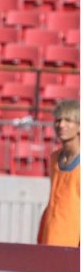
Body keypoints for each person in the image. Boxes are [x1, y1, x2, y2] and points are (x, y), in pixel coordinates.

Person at [37, 99, 79, 247]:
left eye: (68, 120)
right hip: (50, 235)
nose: (61, 125)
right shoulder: (54, 158)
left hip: (72, 241)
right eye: (58, 120)